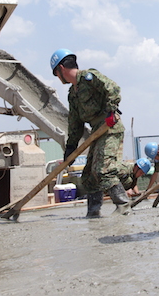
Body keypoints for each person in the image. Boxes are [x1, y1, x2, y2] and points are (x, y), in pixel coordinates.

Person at [50, 48, 130, 218]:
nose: (58, 78)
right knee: (88, 177)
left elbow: (113, 88)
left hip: (110, 127)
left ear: (61, 69)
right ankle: (93, 212)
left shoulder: (89, 77)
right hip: (97, 131)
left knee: (103, 170)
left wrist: (111, 110)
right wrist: (71, 146)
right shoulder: (73, 94)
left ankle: (123, 206)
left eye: (56, 74)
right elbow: (75, 122)